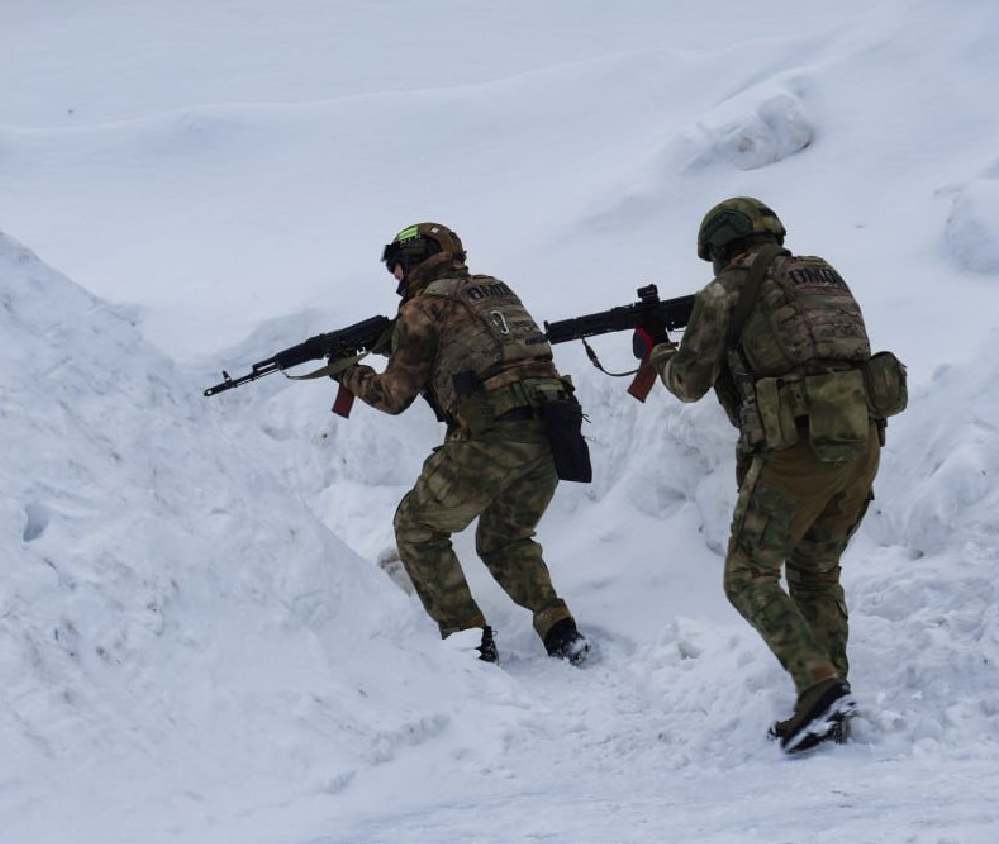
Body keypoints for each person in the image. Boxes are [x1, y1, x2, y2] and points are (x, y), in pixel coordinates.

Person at [644, 197, 882, 753]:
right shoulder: (821, 276)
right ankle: (829, 694)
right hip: (861, 441)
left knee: (746, 575)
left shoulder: (725, 293)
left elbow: (689, 383)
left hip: (797, 448)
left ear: (722, 247)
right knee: (816, 570)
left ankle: (818, 685)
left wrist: (657, 352)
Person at [338, 223, 592, 666]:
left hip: (493, 435)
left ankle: (469, 641)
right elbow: (478, 349)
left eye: (398, 268)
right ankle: (560, 629)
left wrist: (349, 372)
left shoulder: (423, 308)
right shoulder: (494, 289)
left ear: (417, 260)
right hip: (554, 430)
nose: (397, 279)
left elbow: (394, 397)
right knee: (505, 538)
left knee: (417, 528)